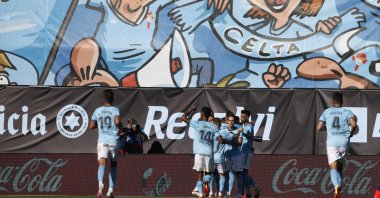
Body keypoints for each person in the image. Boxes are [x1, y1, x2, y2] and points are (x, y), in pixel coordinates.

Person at [317, 92, 357, 198]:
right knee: (340, 168)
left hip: (332, 143)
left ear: (333, 101)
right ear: (342, 101)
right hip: (344, 142)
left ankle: (336, 186)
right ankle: (337, 191)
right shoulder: (347, 112)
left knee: (333, 167)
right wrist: (351, 133)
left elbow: (319, 127)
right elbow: (354, 124)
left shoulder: (327, 112)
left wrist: (326, 127)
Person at [90, 89, 122, 198]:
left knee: (102, 163)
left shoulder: (97, 110)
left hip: (102, 141)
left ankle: (100, 184)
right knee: (113, 165)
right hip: (114, 140)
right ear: (112, 99)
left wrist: (98, 124)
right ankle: (111, 190)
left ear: (103, 98)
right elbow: (117, 122)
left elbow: (91, 126)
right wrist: (121, 126)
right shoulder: (115, 109)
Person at [181, 107, 218, 198]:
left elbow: (183, 117)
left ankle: (200, 192)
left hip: (199, 153)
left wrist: (191, 109)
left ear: (202, 115)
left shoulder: (197, 123)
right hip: (209, 153)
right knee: (208, 174)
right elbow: (218, 138)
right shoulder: (213, 126)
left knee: (200, 174)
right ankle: (204, 188)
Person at [220, 114, 244, 198]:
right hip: (227, 154)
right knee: (229, 173)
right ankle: (228, 193)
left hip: (237, 155)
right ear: (227, 121)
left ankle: (240, 194)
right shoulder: (223, 131)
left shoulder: (238, 130)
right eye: (229, 120)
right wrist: (229, 141)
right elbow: (221, 141)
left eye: (232, 120)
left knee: (239, 174)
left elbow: (240, 142)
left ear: (234, 122)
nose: (231, 122)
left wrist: (229, 141)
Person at [239, 110, 261, 198]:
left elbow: (249, 135)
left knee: (243, 172)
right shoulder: (244, 126)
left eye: (242, 117)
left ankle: (255, 187)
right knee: (243, 173)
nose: (241, 118)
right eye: (240, 116)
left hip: (246, 153)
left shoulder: (249, 127)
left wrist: (242, 132)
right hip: (243, 152)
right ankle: (249, 191)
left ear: (247, 117)